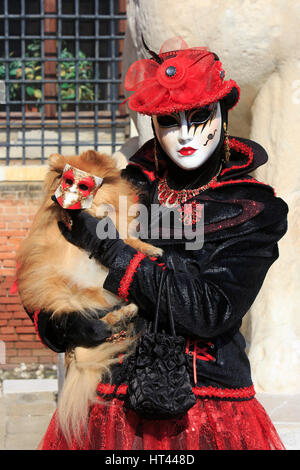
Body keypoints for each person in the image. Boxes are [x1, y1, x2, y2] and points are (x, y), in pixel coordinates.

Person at [29, 38, 288, 450]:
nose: (185, 134)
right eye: (169, 120)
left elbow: (208, 309)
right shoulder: (122, 186)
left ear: (223, 113)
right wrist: (60, 323)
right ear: (153, 124)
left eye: (200, 115)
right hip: (107, 407)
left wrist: (108, 247)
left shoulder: (252, 207)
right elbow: (50, 260)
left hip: (204, 413)